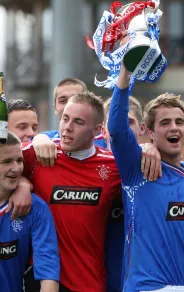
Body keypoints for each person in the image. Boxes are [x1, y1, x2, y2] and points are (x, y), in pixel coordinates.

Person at [108, 66, 184, 292]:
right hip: (145, 287)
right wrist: (126, 73)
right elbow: (117, 128)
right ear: (149, 131)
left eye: (179, 122)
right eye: (165, 123)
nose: (174, 127)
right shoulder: (136, 169)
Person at [22, 91, 121, 292]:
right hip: (42, 279)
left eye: (78, 122)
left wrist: (148, 149)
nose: (67, 127)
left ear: (97, 130)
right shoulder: (39, 154)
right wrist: (22, 183)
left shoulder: (113, 167)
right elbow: (5, 159)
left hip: (89, 281)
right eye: (65, 119)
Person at [0, 132, 60, 292]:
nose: (16, 168)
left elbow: (48, 272)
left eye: (19, 160)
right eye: (6, 161)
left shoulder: (35, 208)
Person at [102, 95, 146, 292]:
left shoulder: (153, 168)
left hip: (139, 281)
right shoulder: (89, 167)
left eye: (129, 122)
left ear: (143, 128)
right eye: (116, 122)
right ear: (102, 130)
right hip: (97, 279)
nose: (122, 128)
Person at [42, 77, 107, 148]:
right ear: (55, 108)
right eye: (63, 101)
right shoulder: (45, 140)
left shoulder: (106, 140)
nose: (69, 105)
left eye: (76, 99)